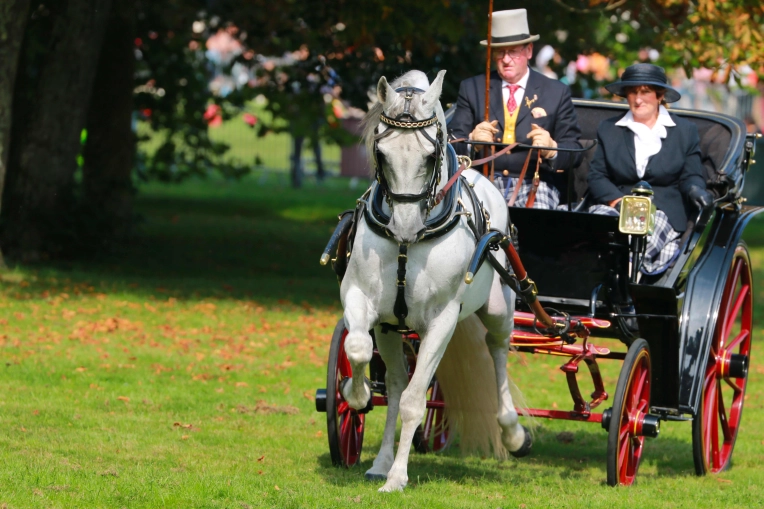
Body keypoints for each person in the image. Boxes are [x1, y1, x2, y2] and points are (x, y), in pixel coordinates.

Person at [587, 63, 714, 275]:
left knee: (635, 241)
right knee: (595, 235)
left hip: (663, 209)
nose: (638, 99)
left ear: (659, 95)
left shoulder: (685, 131)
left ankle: (625, 290)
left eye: (645, 92)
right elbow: (597, 175)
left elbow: (691, 175)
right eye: (632, 92)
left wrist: (695, 189)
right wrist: (619, 202)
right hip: (615, 204)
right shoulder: (609, 129)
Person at [449, 9, 583, 208]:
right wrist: (472, 142)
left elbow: (575, 152)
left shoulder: (556, 91)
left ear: (529, 51)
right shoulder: (473, 88)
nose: (505, 59)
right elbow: (450, 146)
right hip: (481, 181)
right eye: (500, 52)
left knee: (535, 222)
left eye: (513, 51)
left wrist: (552, 149)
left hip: (536, 184)